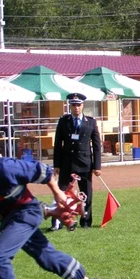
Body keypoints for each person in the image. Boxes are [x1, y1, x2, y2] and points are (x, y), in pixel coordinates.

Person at [0, 157, 106, 279]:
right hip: (15, 217)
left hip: (25, 213)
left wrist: (58, 195)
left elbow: (41, 170)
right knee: (47, 258)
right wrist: (52, 211)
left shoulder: (3, 168)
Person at [51, 93, 101, 230]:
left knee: (86, 194)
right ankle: (59, 222)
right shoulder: (63, 121)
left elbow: (96, 145)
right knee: (62, 193)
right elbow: (58, 144)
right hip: (67, 163)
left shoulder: (91, 122)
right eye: (73, 105)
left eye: (78, 105)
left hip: (84, 163)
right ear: (70, 106)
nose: (76, 108)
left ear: (82, 105)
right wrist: (57, 164)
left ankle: (85, 222)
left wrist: (97, 166)